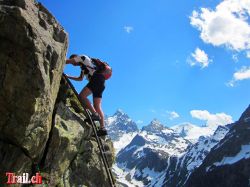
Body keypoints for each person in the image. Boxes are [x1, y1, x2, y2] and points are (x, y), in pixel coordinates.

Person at [65, 54, 108, 136]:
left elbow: (68, 61)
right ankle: (103, 129)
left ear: (75, 57)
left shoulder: (82, 57)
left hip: (96, 79)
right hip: (102, 82)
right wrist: (69, 77)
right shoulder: (83, 67)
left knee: (81, 96)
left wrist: (60, 61)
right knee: (97, 106)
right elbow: (80, 79)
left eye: (73, 62)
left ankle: (94, 115)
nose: (73, 64)